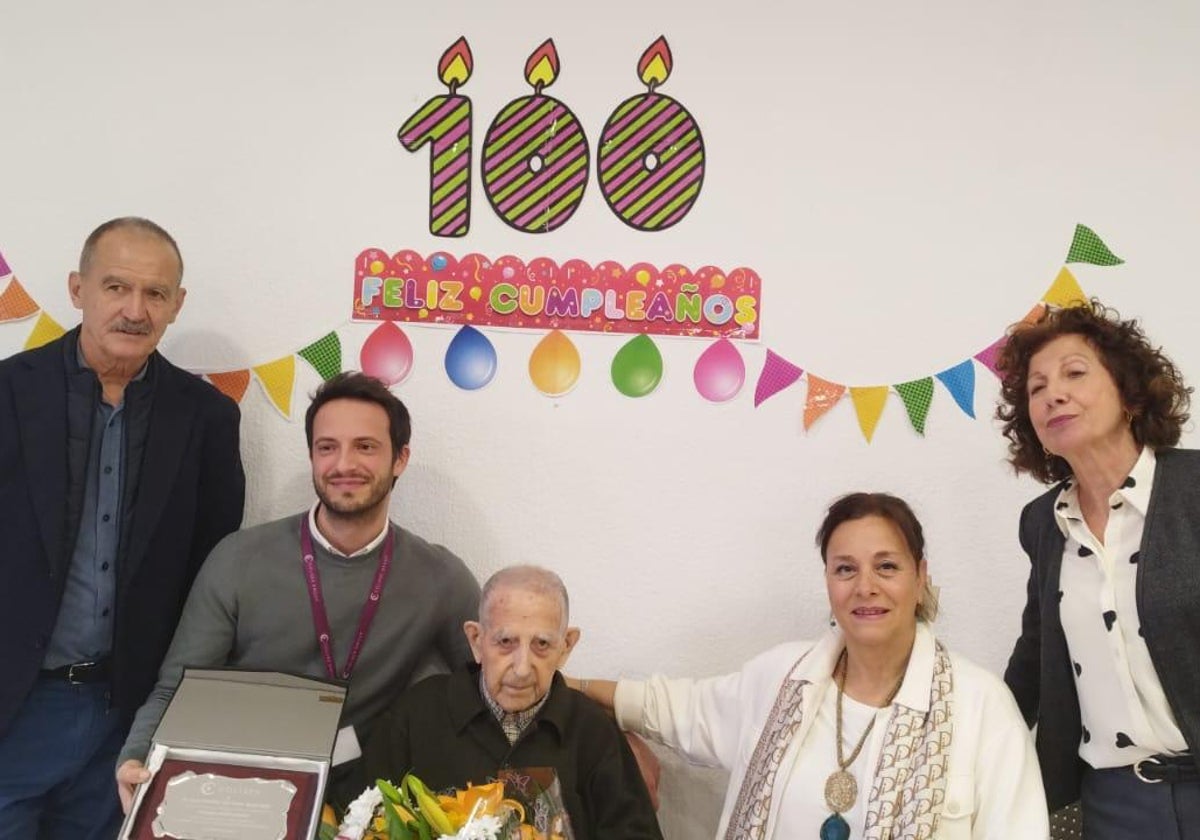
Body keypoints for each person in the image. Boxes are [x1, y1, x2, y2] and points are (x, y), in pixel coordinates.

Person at [572, 493, 1048, 839]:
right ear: (827, 580)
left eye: (886, 566)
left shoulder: (981, 706)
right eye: (845, 568)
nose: (865, 587)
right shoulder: (782, 679)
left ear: (921, 576)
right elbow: (668, 707)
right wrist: (554, 682)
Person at [115, 371, 480, 813]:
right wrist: (136, 756)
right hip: (244, 791)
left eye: (365, 446)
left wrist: (580, 688)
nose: (344, 464)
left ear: (400, 458)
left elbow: (496, 680)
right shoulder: (238, 559)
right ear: (311, 455)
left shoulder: (440, 577)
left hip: (369, 800)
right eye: (327, 447)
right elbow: (177, 687)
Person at [0, 217, 246, 839]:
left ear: (176, 305)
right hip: (14, 704)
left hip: (125, 717)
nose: (135, 310)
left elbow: (210, 571)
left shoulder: (207, 419)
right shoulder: (7, 394)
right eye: (116, 287)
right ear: (77, 289)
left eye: (155, 294)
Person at [997, 299, 1200, 837]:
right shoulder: (1042, 524)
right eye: (1036, 388)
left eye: (1074, 373)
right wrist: (975, 730)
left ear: (1129, 392)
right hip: (1112, 804)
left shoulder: (1195, 489)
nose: (1052, 394)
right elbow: (1036, 650)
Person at [358, 565, 663, 840]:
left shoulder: (594, 733)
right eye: (506, 642)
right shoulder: (417, 714)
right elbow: (363, 820)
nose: (521, 668)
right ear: (476, 640)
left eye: (542, 644)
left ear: (566, 646)